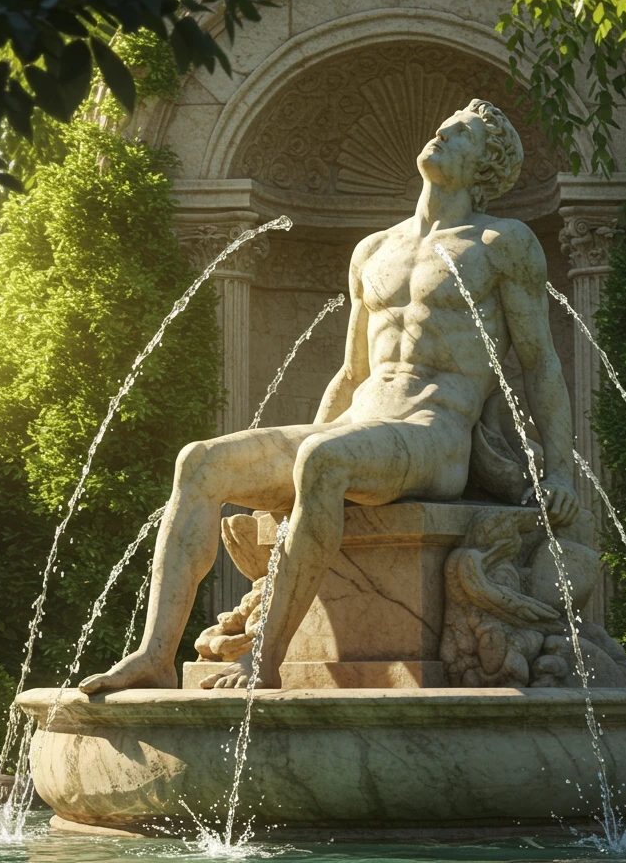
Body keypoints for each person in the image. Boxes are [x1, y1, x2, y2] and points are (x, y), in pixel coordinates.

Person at [79, 99, 578, 693]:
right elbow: (350, 372)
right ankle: (155, 654)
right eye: (443, 123)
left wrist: (565, 472)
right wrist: (305, 459)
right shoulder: (373, 250)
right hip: (362, 424)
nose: (441, 131)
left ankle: (263, 660)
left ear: (488, 168)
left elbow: (541, 362)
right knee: (199, 462)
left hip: (436, 435)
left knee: (323, 461)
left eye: (462, 134)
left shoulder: (503, 242)